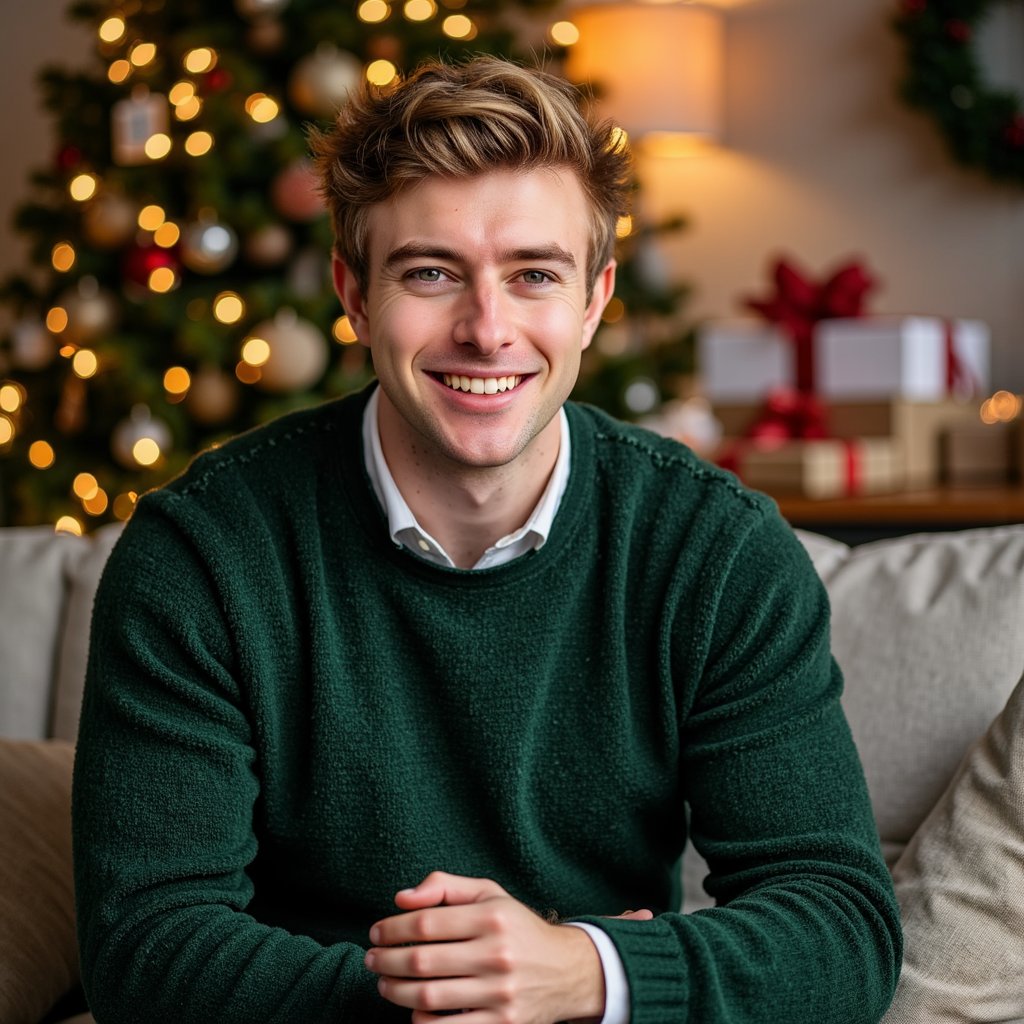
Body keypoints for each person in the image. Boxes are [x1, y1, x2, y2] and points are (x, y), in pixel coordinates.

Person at [72, 56, 901, 1024]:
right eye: (431, 272)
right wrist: (476, 995)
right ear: (353, 294)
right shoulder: (202, 553)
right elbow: (147, 943)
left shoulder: (715, 551)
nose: (487, 328)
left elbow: (842, 926)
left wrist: (584, 972)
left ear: (593, 300)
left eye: (534, 274)